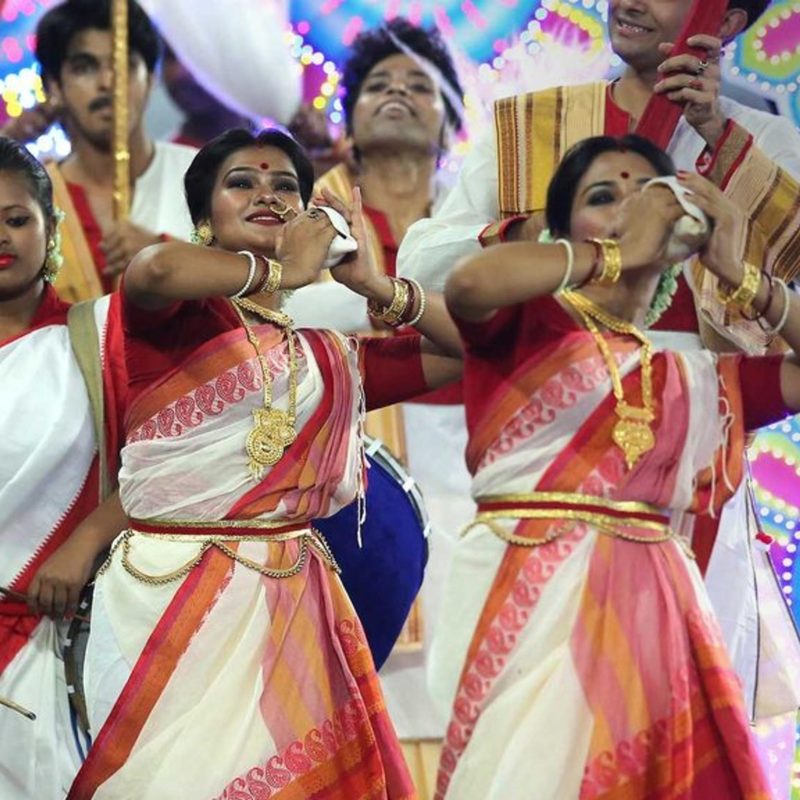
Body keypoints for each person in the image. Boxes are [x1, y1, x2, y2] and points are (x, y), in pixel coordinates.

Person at [398, 0, 800, 735]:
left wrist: (719, 139)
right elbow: (423, 263)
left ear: (726, 21)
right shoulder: (535, 125)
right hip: (555, 419)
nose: (629, 1)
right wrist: (558, 235)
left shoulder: (763, 141)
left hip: (695, 434)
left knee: (684, 712)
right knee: (535, 718)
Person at [67, 128, 462, 799]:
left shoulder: (325, 360)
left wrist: (376, 285)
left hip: (289, 605)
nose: (268, 195)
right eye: (242, 183)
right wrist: (284, 273)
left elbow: (466, 354)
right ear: (203, 218)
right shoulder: (170, 323)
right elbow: (154, 270)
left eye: (286, 187)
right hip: (161, 601)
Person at [433, 133, 799, 799]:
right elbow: (468, 283)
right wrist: (619, 253)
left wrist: (740, 273)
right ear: (562, 232)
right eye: (603, 197)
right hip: (525, 597)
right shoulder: (527, 326)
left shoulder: (694, 378)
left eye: (650, 196)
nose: (632, 209)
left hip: (652, 615)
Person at [284, 20, 471, 790]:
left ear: (449, 123)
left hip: (472, 459)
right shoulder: (303, 216)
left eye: (419, 85)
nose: (397, 93)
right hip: (337, 468)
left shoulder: (481, 221)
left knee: (470, 667)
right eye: (378, 85)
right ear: (350, 120)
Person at [0, 137, 127, 799]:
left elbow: (173, 466)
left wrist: (84, 541)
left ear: (51, 228)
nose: (1, 236)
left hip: (55, 642)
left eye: (16, 219)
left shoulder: (100, 338)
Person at [35, 0, 197, 301]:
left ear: (150, 79)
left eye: (124, 65)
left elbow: (256, 302)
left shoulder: (205, 179)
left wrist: (168, 261)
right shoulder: (32, 201)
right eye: (84, 68)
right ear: (54, 86)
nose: (108, 83)